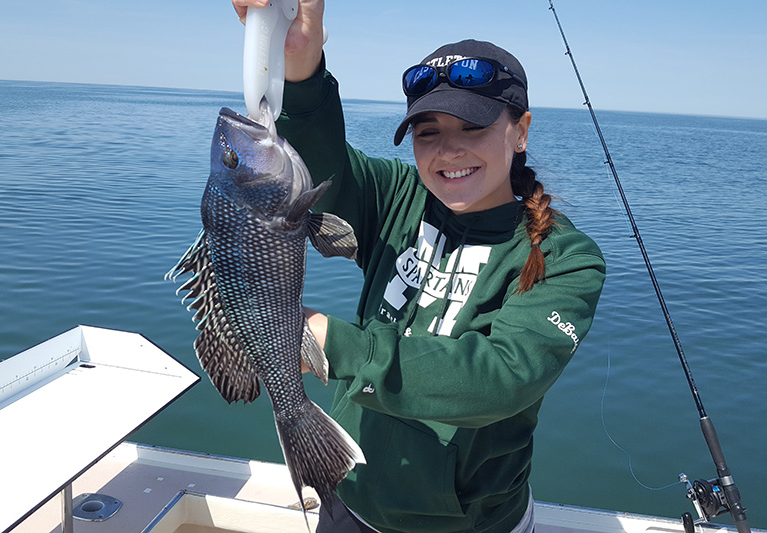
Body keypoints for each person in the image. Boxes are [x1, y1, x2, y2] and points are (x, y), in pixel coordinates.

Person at [233, 2, 606, 532]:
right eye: (427, 132)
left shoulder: (567, 257)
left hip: (468, 522)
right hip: (351, 493)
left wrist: (332, 342)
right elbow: (321, 159)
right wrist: (299, 63)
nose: (448, 150)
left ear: (520, 131)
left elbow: (502, 379)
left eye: (473, 127)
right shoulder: (395, 197)